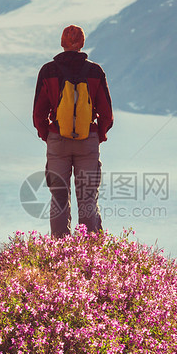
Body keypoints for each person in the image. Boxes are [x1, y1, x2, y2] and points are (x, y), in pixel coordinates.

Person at [33, 24, 113, 237]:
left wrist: (48, 135)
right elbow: (106, 114)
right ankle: (90, 251)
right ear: (82, 43)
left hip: (57, 139)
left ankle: (61, 250)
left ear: (62, 43)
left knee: (59, 196)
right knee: (87, 197)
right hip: (88, 139)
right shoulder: (95, 72)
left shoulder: (48, 71)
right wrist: (99, 135)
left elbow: (38, 113)